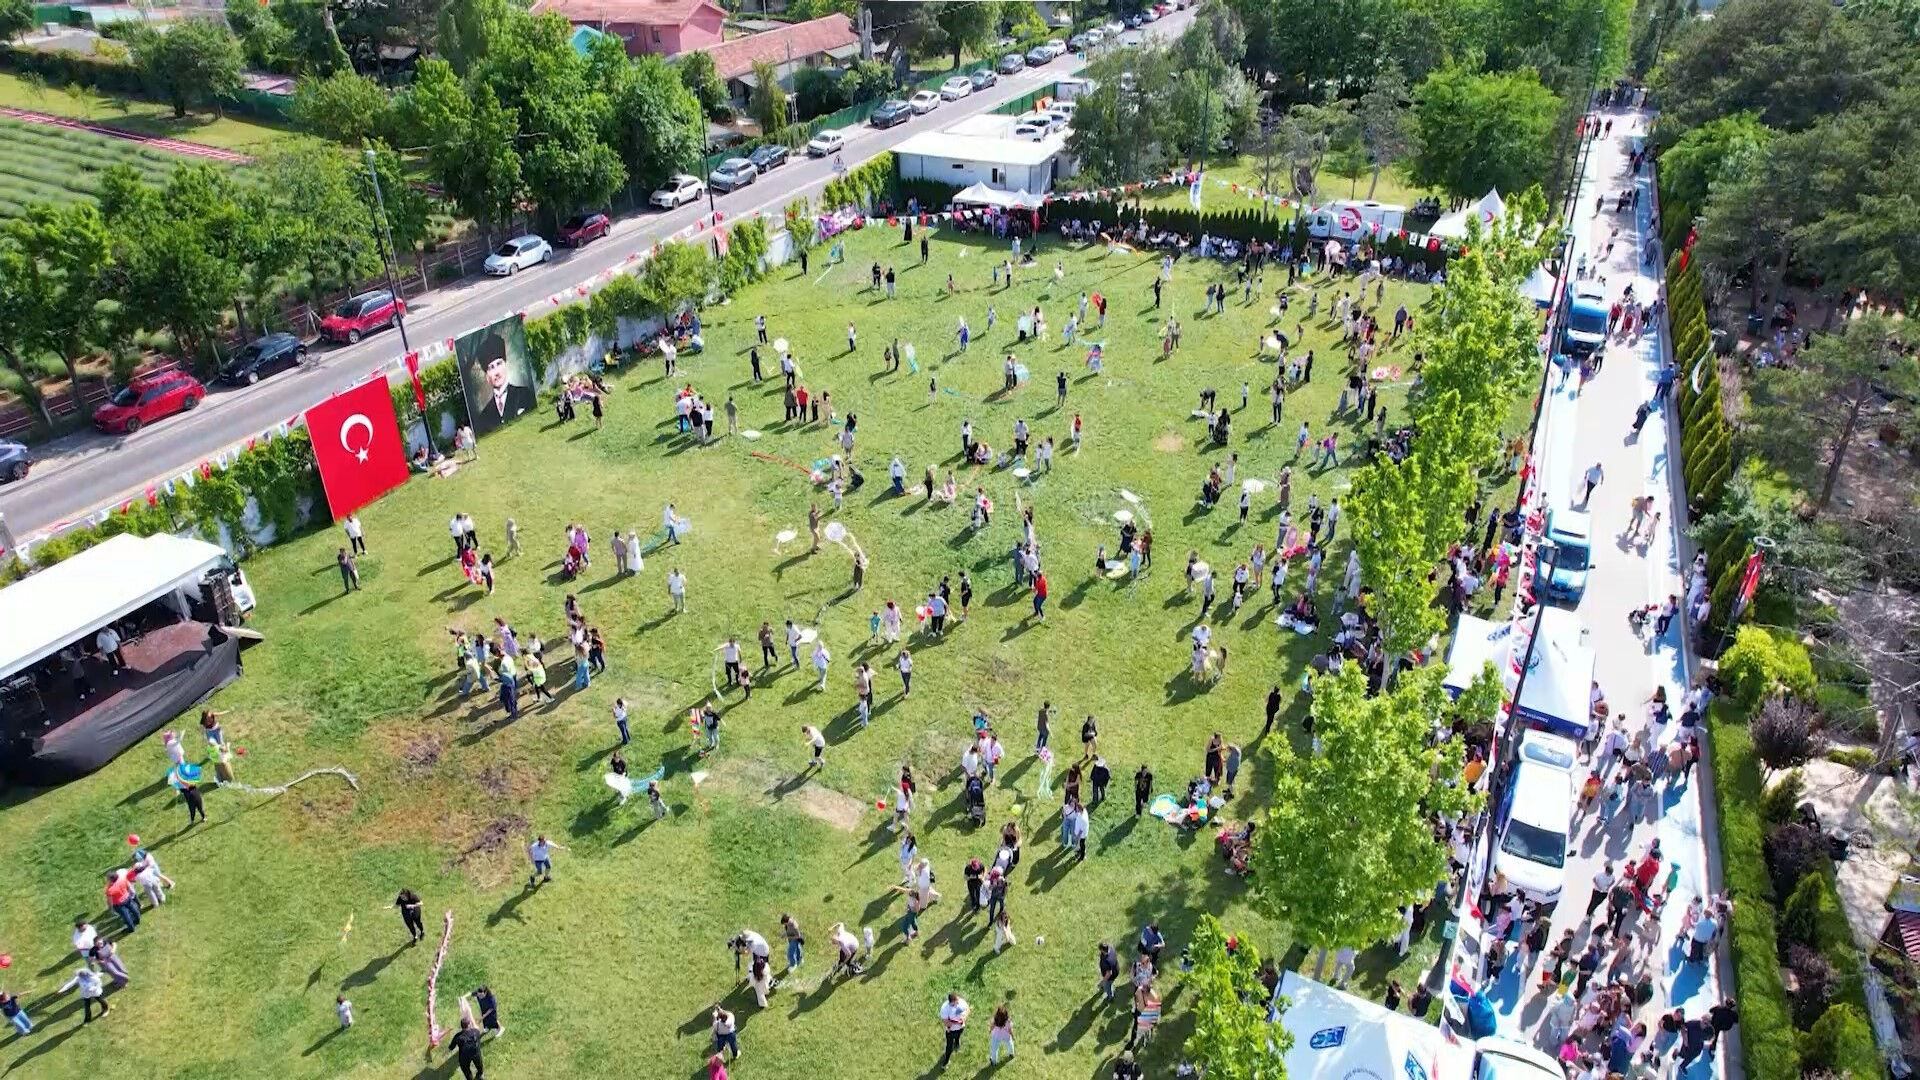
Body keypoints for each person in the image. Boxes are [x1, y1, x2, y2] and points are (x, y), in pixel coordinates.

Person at [938, 992, 971, 1067]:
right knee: (949, 1046)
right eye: (953, 1004)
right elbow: (946, 1022)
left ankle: (956, 1043)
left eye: (957, 1002)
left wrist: (964, 1017)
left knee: (958, 1036)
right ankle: (945, 1063)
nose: (956, 1005)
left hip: (960, 1028)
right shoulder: (945, 1008)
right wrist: (955, 1021)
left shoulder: (961, 1002)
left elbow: (968, 1009)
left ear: (957, 998)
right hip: (950, 1031)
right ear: (950, 1002)